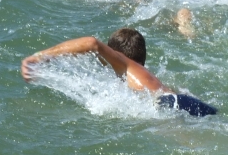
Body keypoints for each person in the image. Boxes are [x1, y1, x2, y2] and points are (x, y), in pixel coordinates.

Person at [21, 28, 217, 117]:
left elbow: (91, 43)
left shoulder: (123, 62)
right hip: (185, 101)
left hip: (166, 105)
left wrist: (40, 56)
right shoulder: (146, 75)